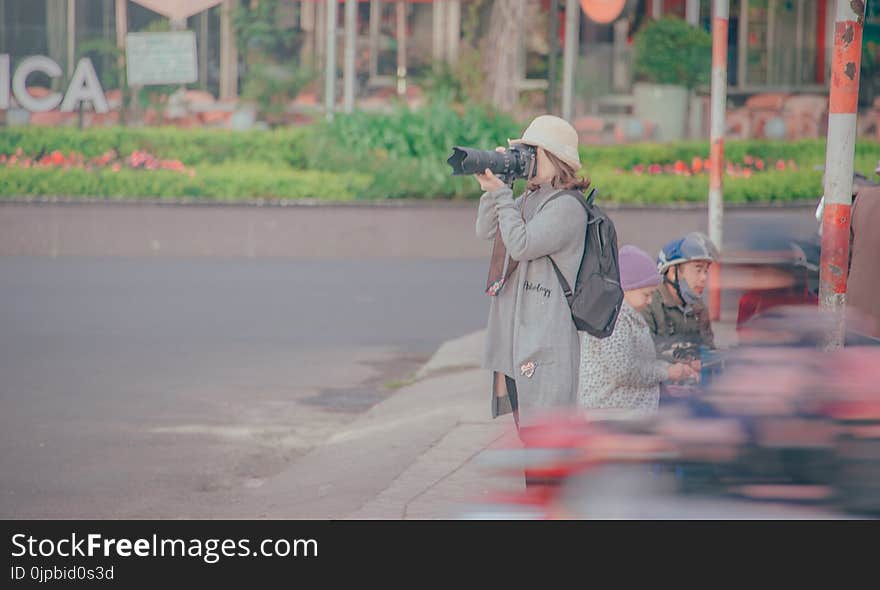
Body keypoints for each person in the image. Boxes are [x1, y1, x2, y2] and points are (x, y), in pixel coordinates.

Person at [474, 114, 589, 436]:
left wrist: (502, 196)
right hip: (517, 338)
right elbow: (486, 231)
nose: (525, 157)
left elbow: (522, 245)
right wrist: (495, 189)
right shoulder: (531, 198)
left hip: (543, 341)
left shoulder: (567, 207)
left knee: (544, 443)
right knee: (530, 441)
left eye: (531, 151)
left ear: (555, 157)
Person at [578, 245, 697, 420]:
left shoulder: (629, 316)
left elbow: (640, 361)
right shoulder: (613, 320)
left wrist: (668, 367)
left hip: (627, 411)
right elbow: (624, 370)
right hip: (612, 415)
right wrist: (667, 372)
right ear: (624, 289)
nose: (650, 301)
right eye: (646, 294)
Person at [642, 232, 719, 362]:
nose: (704, 278)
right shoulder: (649, 305)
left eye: (706, 271)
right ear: (672, 272)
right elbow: (643, 358)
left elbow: (708, 351)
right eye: (698, 270)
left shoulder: (698, 308)